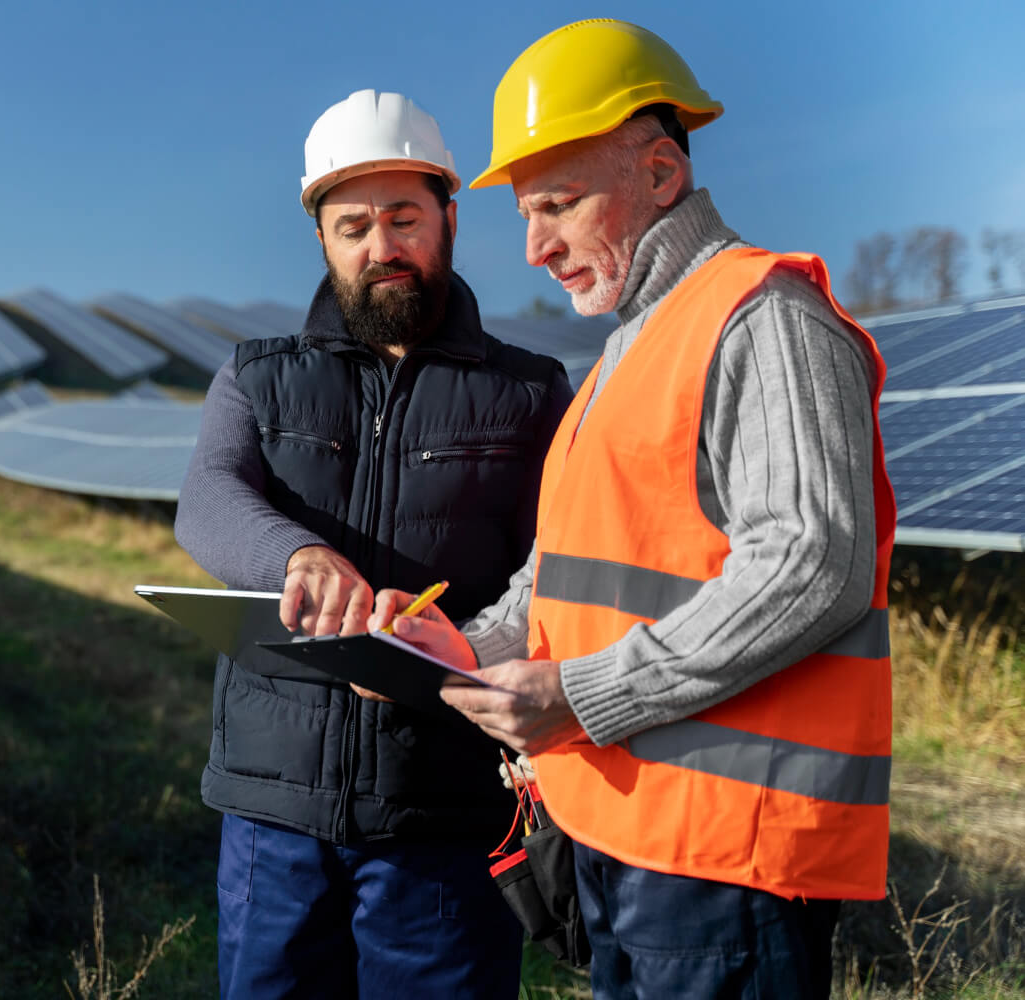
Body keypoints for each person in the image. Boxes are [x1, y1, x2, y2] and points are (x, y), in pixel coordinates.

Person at [370, 20, 896, 999]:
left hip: (725, 856)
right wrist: (446, 650)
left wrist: (577, 695)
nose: (533, 247)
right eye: (527, 214)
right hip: (624, 830)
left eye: (557, 205)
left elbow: (813, 566)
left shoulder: (764, 318)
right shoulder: (623, 357)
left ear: (660, 173)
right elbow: (563, 574)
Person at [174, 88, 574, 998]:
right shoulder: (258, 377)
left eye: (404, 218)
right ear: (321, 236)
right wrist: (294, 557)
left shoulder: (530, 393)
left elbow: (555, 565)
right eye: (353, 225)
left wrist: (461, 647)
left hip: (444, 813)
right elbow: (206, 499)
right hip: (273, 811)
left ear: (448, 219)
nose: (381, 248)